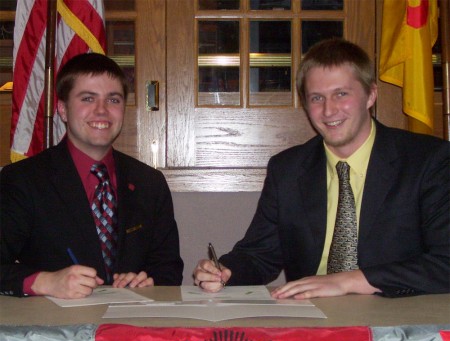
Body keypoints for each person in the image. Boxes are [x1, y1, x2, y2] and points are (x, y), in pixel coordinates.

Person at [193, 38, 449, 299]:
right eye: (317, 98)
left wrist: (350, 281)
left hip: (398, 320)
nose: (329, 110)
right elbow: (260, 255)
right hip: (313, 321)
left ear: (371, 95)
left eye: (341, 94)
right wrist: (225, 272)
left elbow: (445, 262)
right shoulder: (288, 169)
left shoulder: (428, 161)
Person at [0, 53, 183, 298]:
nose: (102, 110)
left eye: (113, 100)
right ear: (63, 110)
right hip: (54, 329)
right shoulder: (22, 180)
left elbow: (168, 269)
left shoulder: (149, 183)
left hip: (130, 326)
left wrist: (147, 282)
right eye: (88, 98)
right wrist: (44, 282)